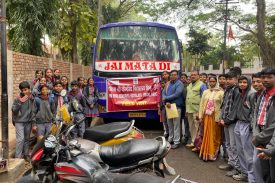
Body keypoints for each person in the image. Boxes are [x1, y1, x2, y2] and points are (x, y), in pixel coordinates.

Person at [252, 68, 275, 183]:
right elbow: (255, 116)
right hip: (260, 136)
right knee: (263, 170)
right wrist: (256, 135)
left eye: (270, 77)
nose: (265, 80)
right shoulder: (262, 95)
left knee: (272, 172)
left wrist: (260, 137)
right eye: (263, 77)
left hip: (271, 138)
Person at [232, 76, 256, 182]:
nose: (242, 84)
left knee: (248, 152)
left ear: (249, 83)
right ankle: (244, 172)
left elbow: (253, 112)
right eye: (240, 82)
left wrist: (252, 127)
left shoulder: (251, 94)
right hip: (239, 123)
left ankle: (251, 176)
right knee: (240, 150)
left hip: (247, 125)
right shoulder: (239, 93)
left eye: (244, 82)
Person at [219, 71, 242, 177]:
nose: (228, 81)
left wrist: (227, 120)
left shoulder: (237, 91)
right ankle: (231, 163)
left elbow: (235, 108)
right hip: (225, 121)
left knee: (233, 146)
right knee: (228, 144)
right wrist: (222, 118)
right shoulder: (228, 90)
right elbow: (224, 106)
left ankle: (237, 168)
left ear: (236, 79)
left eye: (230, 79)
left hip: (232, 122)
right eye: (227, 79)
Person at [198, 76, 224, 160]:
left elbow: (223, 106)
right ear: (208, 82)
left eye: (213, 81)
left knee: (215, 135)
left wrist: (221, 118)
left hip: (215, 117)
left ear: (216, 82)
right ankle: (205, 153)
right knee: (206, 135)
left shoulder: (221, 92)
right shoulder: (206, 91)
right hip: (206, 117)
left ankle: (213, 154)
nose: (212, 83)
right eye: (210, 81)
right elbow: (202, 104)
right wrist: (200, 116)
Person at [12, 81, 35, 161]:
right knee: (20, 139)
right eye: (22, 90)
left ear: (29, 89)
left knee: (26, 139)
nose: (24, 92)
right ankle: (17, 157)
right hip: (19, 121)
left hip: (28, 121)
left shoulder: (32, 98)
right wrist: (20, 102)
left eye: (26, 89)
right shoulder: (17, 98)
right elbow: (14, 110)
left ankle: (26, 154)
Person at [162, 70, 184, 149]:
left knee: (176, 125)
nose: (173, 76)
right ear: (169, 76)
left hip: (176, 107)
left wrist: (166, 98)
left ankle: (176, 142)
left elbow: (177, 94)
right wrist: (166, 100)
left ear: (177, 76)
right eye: (171, 75)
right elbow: (163, 92)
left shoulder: (179, 84)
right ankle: (170, 139)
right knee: (170, 124)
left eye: (174, 75)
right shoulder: (168, 84)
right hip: (169, 106)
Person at [185, 70, 207, 149]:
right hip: (189, 110)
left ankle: (199, 145)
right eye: (191, 75)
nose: (193, 76)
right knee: (192, 127)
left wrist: (200, 113)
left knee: (198, 128)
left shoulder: (202, 85)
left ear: (198, 76)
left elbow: (204, 99)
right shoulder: (189, 85)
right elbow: (188, 98)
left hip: (197, 110)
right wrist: (186, 111)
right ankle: (193, 142)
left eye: (194, 75)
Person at [250, 72, 266, 183]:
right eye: (254, 82)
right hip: (257, 133)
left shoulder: (268, 96)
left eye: (258, 81)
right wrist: (256, 135)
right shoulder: (253, 96)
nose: (256, 84)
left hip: (267, 135)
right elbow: (254, 116)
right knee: (256, 161)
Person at [180, 73, 190, 144]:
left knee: (187, 122)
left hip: (186, 106)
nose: (183, 79)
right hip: (180, 106)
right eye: (182, 77)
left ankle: (186, 136)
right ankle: (179, 136)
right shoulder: (178, 85)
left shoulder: (189, 86)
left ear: (186, 78)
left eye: (184, 77)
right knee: (179, 122)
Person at [161, 71, 170, 138]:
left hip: (170, 104)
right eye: (163, 75)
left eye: (165, 74)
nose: (164, 76)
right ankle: (166, 132)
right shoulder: (160, 84)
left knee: (170, 120)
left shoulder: (171, 83)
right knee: (164, 120)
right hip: (163, 105)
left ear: (168, 75)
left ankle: (170, 133)